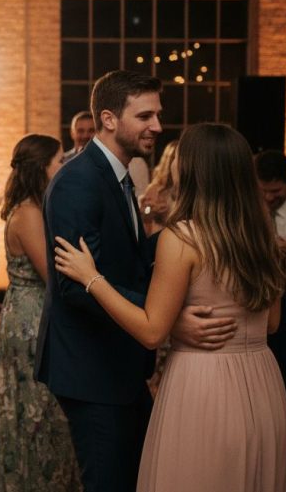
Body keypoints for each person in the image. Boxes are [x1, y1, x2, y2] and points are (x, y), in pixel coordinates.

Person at [53, 123, 286, 492]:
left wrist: (91, 277)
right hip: (263, 384)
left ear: (193, 170)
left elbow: (151, 331)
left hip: (204, 385)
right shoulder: (264, 236)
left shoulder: (182, 239)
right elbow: (272, 323)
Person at [36, 71, 238, 492]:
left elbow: (123, 259)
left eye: (158, 115)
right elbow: (75, 285)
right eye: (145, 116)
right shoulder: (78, 182)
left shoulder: (118, 174)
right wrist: (164, 321)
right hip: (91, 366)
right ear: (109, 119)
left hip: (118, 362)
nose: (158, 127)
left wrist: (198, 231)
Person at [0, 134, 81, 491]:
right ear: (41, 167)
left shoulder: (34, 206)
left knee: (40, 408)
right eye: (59, 160)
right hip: (32, 320)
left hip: (31, 312)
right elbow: (53, 275)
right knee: (37, 410)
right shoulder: (28, 213)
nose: (64, 165)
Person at [256, 149, 286, 485]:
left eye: (276, 192)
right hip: (259, 305)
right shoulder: (250, 212)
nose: (269, 198)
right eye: (264, 191)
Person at [138, 140, 179, 237]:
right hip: (157, 237)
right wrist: (151, 210)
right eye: (175, 158)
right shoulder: (155, 189)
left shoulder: (187, 189)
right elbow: (145, 216)